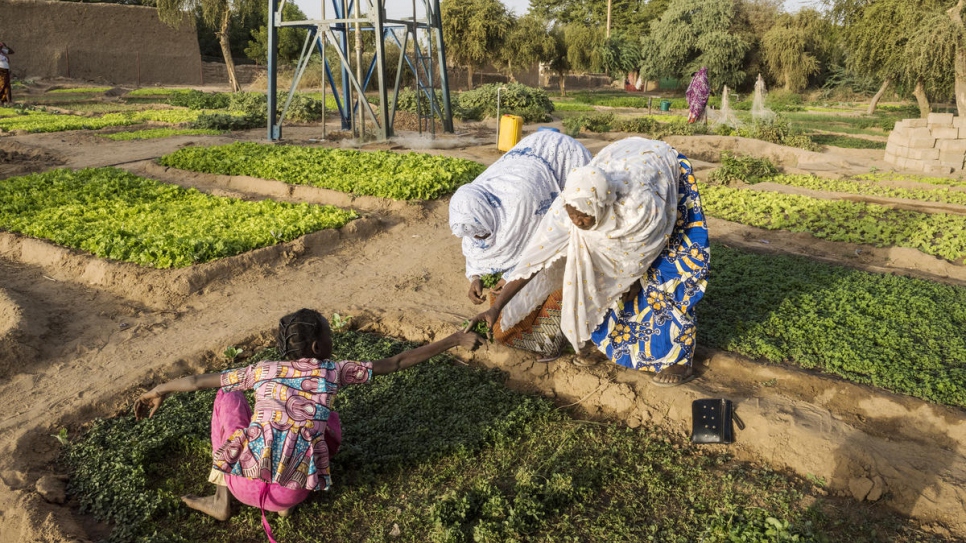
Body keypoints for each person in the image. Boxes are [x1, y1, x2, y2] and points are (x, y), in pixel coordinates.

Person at [135, 308, 481, 541]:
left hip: (243, 484)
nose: (333, 340)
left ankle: (220, 497)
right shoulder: (334, 371)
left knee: (227, 397)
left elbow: (196, 382)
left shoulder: (262, 370)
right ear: (318, 346)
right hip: (293, 491)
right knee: (326, 418)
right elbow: (398, 360)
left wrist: (159, 389)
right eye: (330, 335)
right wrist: (454, 340)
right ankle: (282, 505)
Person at [466, 137, 709, 386]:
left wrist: (633, 277)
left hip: (662, 180)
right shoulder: (568, 208)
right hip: (621, 159)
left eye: (584, 217)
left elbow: (646, 248)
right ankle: (609, 343)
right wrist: (496, 307)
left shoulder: (639, 209)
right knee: (594, 278)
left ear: (602, 205)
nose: (578, 222)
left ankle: (678, 358)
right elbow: (533, 260)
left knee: (667, 274)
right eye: (574, 216)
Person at [449, 130, 591, 360]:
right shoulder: (469, 205)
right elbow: (475, 244)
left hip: (561, 160)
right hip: (531, 163)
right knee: (512, 302)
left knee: (563, 259)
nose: (480, 239)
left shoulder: (522, 206)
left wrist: (512, 276)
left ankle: (563, 333)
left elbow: (539, 248)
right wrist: (475, 276)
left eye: (482, 233)